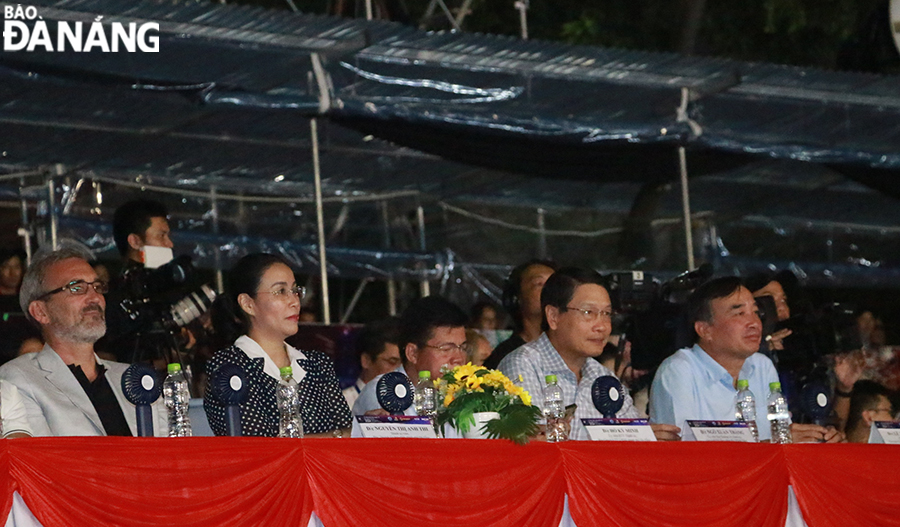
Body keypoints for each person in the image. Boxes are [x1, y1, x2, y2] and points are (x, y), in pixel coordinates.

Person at [649, 276, 842, 443]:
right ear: (705, 330)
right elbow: (684, 453)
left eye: (756, 312)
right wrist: (774, 444)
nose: (754, 323)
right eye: (740, 313)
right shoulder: (678, 370)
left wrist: (817, 437)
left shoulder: (761, 366)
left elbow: (782, 434)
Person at [0, 244, 166, 436]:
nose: (94, 297)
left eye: (97, 286)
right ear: (41, 311)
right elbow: (38, 461)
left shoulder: (132, 379)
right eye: (77, 288)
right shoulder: (18, 379)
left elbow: (169, 456)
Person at [499, 267, 680, 441]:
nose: (602, 326)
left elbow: (629, 434)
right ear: (553, 316)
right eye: (588, 313)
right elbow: (539, 444)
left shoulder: (602, 376)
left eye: (607, 314)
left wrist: (644, 438)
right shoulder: (523, 366)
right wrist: (625, 437)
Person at [204, 253, 351, 437]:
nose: (295, 301)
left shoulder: (317, 363)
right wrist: (333, 437)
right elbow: (258, 447)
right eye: (281, 291)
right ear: (248, 304)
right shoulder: (229, 367)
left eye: (295, 290)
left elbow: (348, 433)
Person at [350, 296, 468, 437]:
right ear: (412, 353)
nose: (459, 358)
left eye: (463, 347)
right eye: (446, 348)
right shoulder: (383, 393)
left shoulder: (463, 394)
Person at [484, 260, 557, 369]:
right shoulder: (504, 358)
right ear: (516, 297)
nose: (550, 290)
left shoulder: (576, 352)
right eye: (539, 284)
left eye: (555, 285)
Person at [342, 318, 401, 409]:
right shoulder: (339, 406)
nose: (401, 370)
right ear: (366, 361)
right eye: (392, 362)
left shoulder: (413, 405)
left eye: (405, 364)